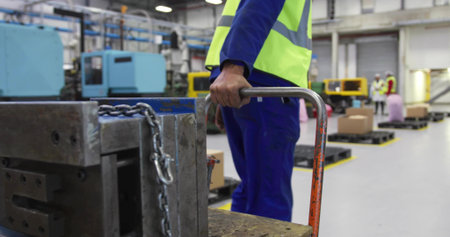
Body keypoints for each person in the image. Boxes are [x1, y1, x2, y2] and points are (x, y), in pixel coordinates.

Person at [204, 0, 312, 222]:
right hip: (267, 77)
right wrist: (234, 66)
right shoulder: (240, 65)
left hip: (243, 74)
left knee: (252, 184)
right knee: (269, 192)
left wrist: (226, 83)